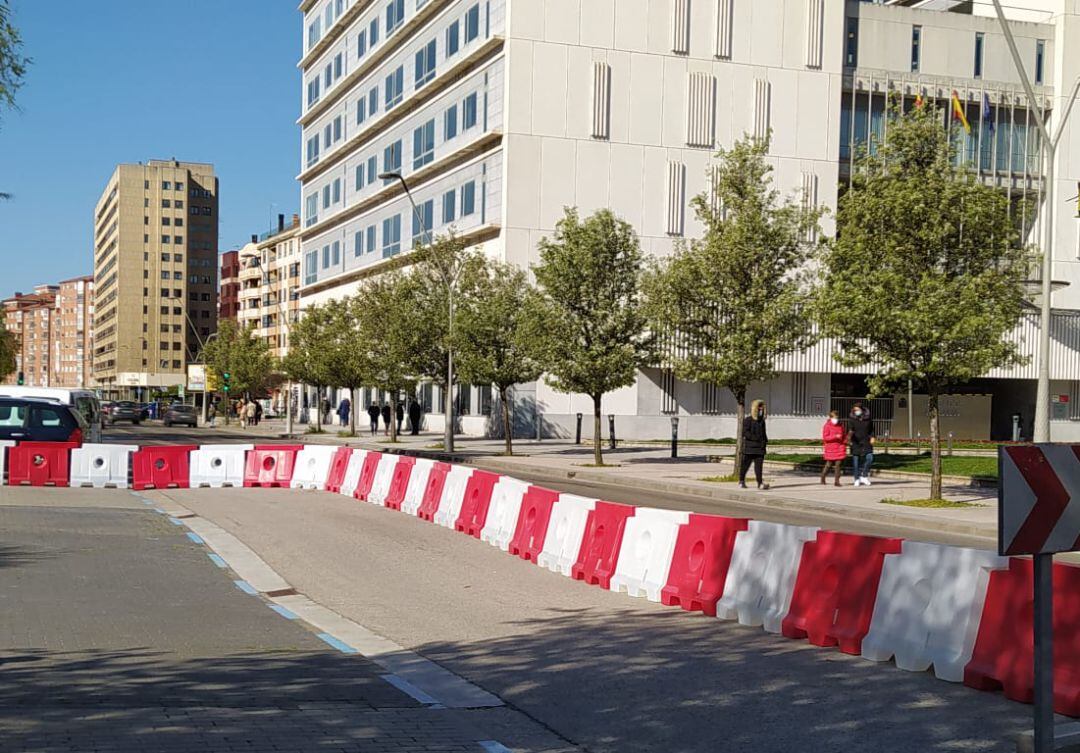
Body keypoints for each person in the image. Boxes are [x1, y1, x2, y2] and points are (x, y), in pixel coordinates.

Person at [739, 399, 769, 490]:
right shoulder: (748, 420)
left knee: (759, 467)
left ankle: (760, 483)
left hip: (760, 448)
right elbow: (745, 433)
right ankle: (741, 481)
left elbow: (763, 433)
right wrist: (755, 438)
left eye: (762, 407)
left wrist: (765, 441)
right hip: (750, 448)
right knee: (745, 465)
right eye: (759, 407)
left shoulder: (762, 421)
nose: (761, 409)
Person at [848, 401, 876, 486]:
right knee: (856, 462)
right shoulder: (852, 419)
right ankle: (856, 478)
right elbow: (850, 430)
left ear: (862, 409)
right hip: (855, 441)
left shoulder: (868, 419)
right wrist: (849, 438)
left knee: (870, 458)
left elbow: (872, 429)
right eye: (855, 410)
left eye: (858, 410)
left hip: (866, 441)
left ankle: (864, 475)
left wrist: (872, 437)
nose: (856, 411)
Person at [820, 409, 847, 486]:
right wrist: (835, 436)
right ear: (831, 418)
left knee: (838, 464)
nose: (836, 419)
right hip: (830, 448)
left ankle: (837, 481)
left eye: (837, 417)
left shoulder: (840, 426)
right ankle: (823, 477)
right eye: (834, 418)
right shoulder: (827, 426)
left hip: (839, 447)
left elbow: (844, 435)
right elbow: (825, 437)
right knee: (829, 464)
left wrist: (845, 442)